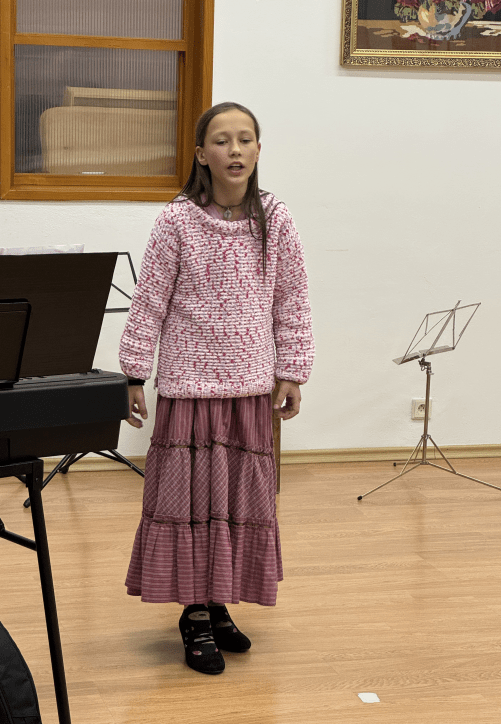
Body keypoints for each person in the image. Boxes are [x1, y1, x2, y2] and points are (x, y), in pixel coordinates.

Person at [119, 101, 314, 675]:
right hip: (189, 390)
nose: (235, 150)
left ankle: (219, 602)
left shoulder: (275, 218)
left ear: (258, 150)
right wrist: (134, 372)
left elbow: (293, 299)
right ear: (202, 155)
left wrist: (292, 369)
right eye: (223, 141)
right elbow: (149, 301)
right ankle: (194, 614)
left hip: (250, 389)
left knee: (235, 504)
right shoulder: (177, 220)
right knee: (191, 506)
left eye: (245, 139)